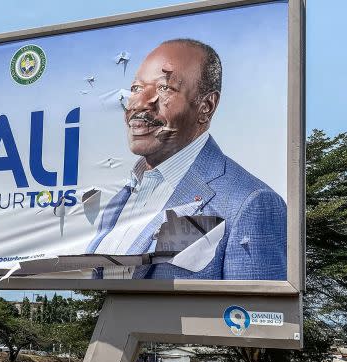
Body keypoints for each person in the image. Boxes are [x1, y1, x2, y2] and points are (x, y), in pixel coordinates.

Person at [86, 38, 286, 280]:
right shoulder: (119, 201)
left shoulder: (250, 203)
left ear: (206, 106)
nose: (138, 104)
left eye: (164, 89)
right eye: (137, 89)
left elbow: (251, 315)